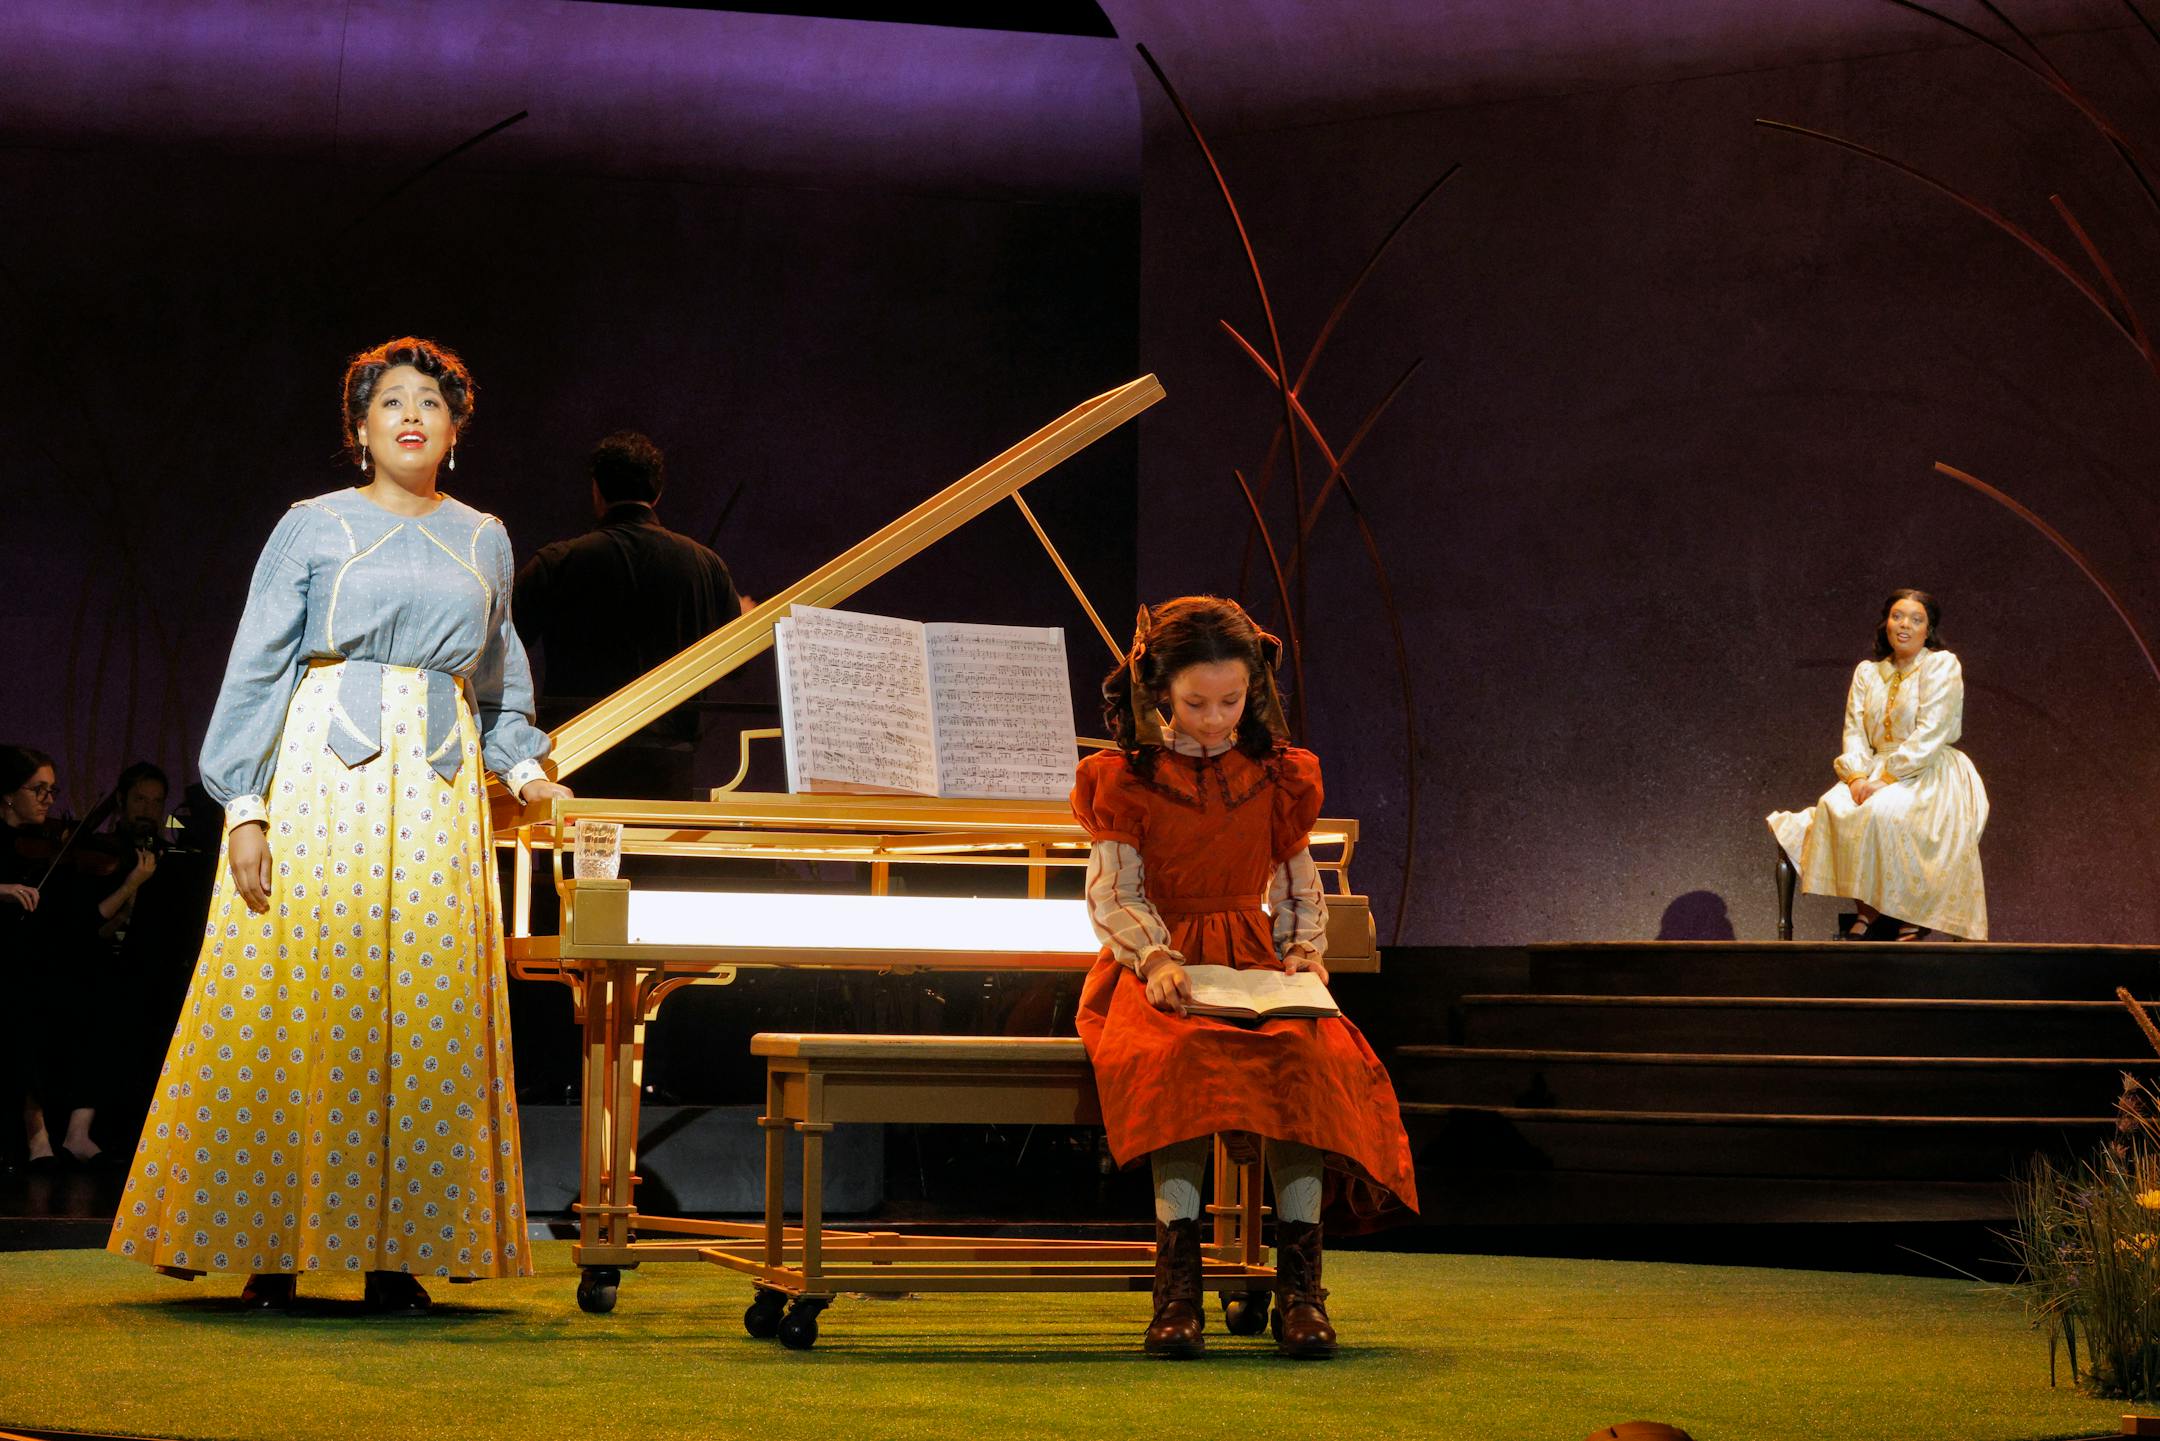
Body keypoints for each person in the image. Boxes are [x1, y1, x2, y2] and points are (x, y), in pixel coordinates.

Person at [107, 337, 572, 1311]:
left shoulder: (484, 536)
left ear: (455, 428)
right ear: (358, 429)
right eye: (389, 401)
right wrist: (245, 806)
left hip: (438, 791)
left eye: (432, 402)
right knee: (305, 989)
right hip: (327, 773)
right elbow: (258, 666)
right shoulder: (311, 527)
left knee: (422, 1006)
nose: (412, 414)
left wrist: (526, 769)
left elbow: (497, 677)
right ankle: (269, 1248)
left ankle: (395, 1253)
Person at [1071, 596, 1418, 1360]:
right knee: (1179, 1058)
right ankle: (1178, 1290)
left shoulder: (1276, 775)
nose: (1216, 717)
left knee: (1308, 1055)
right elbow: (1114, 891)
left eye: (1232, 700)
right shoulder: (1124, 777)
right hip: (1159, 964)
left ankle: (1301, 1289)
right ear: (1160, 691)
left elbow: (1299, 882)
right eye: (1198, 702)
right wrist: (1156, 957)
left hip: (1253, 957)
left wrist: (1303, 951)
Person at [511, 429, 748, 802]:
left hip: (576, 755)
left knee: (576, 861)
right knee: (652, 859)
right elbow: (737, 666)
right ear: (657, 492)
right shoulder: (707, 566)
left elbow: (503, 650)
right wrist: (735, 616)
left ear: (597, 491)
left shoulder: (556, 562)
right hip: (669, 763)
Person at [1768, 588, 1988, 941]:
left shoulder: (1940, 665)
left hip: (1927, 766)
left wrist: (1886, 777)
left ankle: (1913, 911)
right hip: (1872, 768)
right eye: (1898, 616)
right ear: (1886, 622)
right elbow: (1854, 730)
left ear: (1928, 629)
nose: (1905, 625)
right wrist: (1856, 777)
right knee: (1835, 805)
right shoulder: (1868, 673)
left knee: (1885, 811)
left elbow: (1932, 731)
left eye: (1916, 620)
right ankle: (1867, 910)